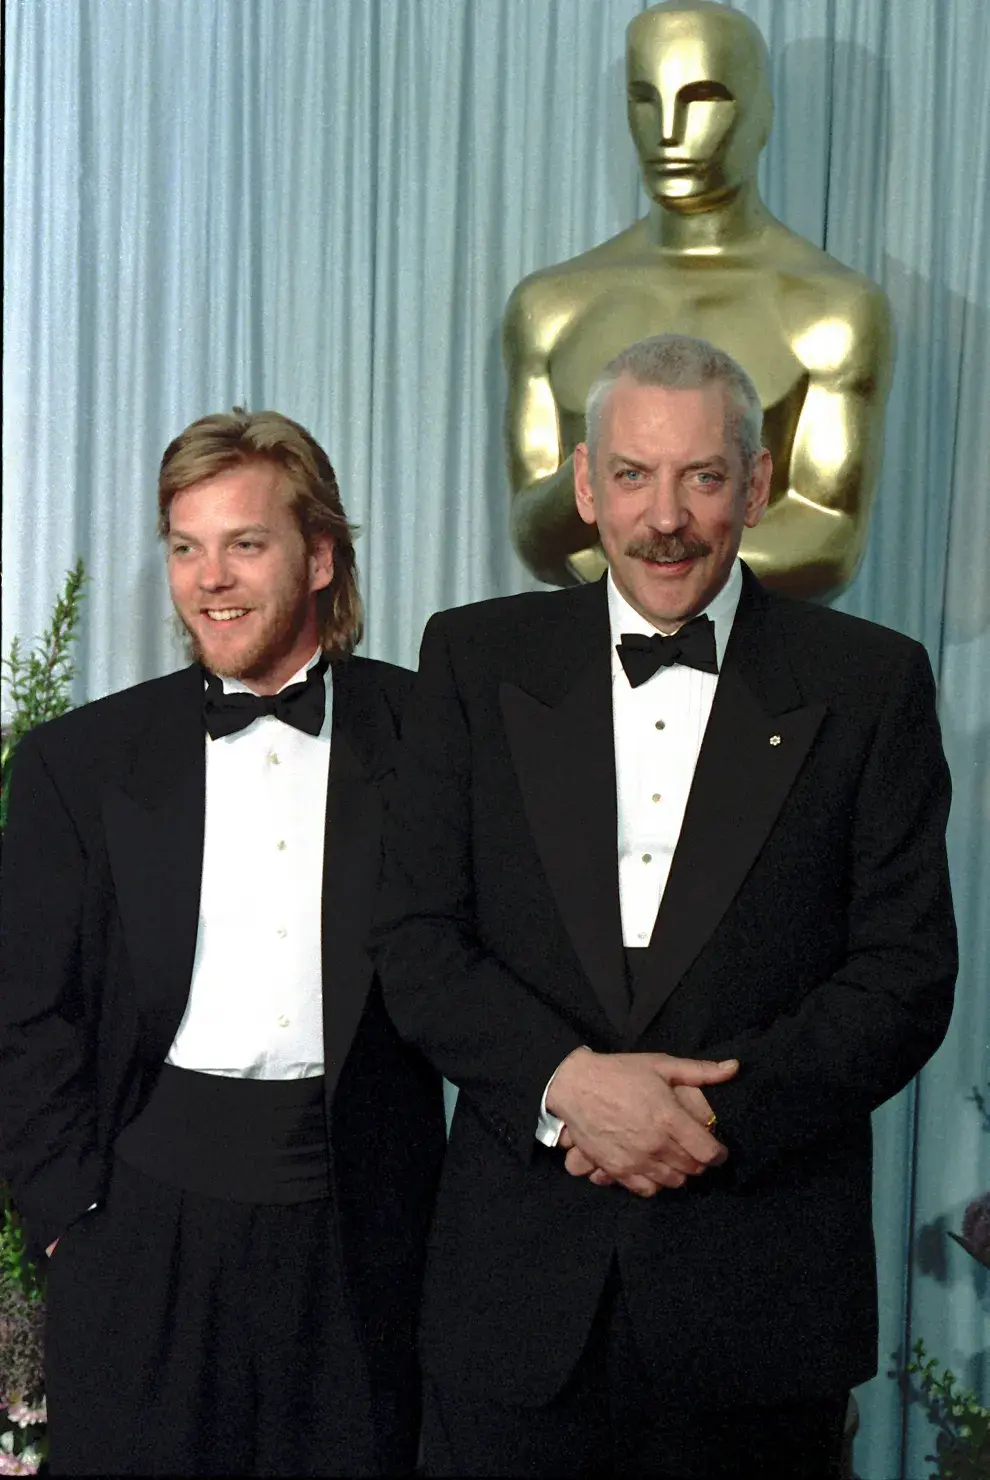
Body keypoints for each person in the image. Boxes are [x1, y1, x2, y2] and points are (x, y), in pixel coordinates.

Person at [372, 334, 956, 1479]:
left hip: (760, 1299)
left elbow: (904, 976)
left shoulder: (871, 680)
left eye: (700, 476)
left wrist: (700, 1124)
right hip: (514, 1304)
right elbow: (417, 941)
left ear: (757, 481)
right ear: (586, 487)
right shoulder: (472, 658)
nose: (666, 518)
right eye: (633, 476)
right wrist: (571, 1087)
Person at [0, 410, 445, 1476]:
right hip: (142, 1228)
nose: (211, 579)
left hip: (362, 1235)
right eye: (186, 547)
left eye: (245, 543)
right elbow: (22, 1010)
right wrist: (70, 1220)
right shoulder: (81, 759)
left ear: (321, 555)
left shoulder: (432, 734)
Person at [503, 0, 893, 599]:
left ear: (762, 113)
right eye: (644, 98)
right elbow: (530, 525)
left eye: (703, 98)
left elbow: (830, 535)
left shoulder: (835, 310)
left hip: (770, 667)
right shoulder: (550, 305)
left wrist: (628, 550)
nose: (667, 131)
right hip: (581, 665)